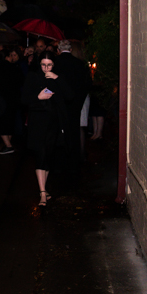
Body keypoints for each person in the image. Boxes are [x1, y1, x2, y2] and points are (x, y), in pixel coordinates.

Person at [22, 51, 74, 206]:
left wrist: (57, 79)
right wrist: (38, 97)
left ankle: (44, 189)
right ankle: (43, 192)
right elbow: (23, 99)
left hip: (54, 122)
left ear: (54, 64)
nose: (46, 68)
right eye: (43, 65)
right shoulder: (33, 76)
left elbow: (70, 96)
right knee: (40, 153)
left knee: (48, 155)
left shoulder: (58, 77)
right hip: (38, 120)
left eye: (49, 65)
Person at [52, 39, 92, 190]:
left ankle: (58, 165)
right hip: (75, 105)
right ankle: (73, 164)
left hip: (60, 105)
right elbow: (86, 84)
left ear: (59, 49)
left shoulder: (56, 63)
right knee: (74, 132)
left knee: (59, 133)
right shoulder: (79, 64)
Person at [0, 47, 24, 154]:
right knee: (10, 122)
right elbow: (21, 81)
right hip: (13, 99)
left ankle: (8, 145)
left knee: (2, 123)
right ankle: (8, 145)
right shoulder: (15, 67)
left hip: (1, 99)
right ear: (8, 56)